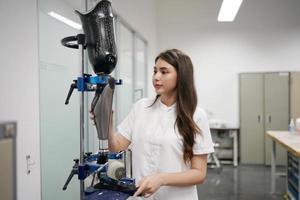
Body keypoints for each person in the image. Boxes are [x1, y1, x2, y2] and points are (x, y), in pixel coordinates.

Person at [94, 49, 214, 200]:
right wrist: (107, 124)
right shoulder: (141, 107)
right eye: (155, 71)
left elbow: (199, 173)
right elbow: (117, 147)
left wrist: (161, 179)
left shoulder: (196, 116)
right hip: (140, 196)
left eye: (164, 72)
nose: (156, 77)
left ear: (181, 76)